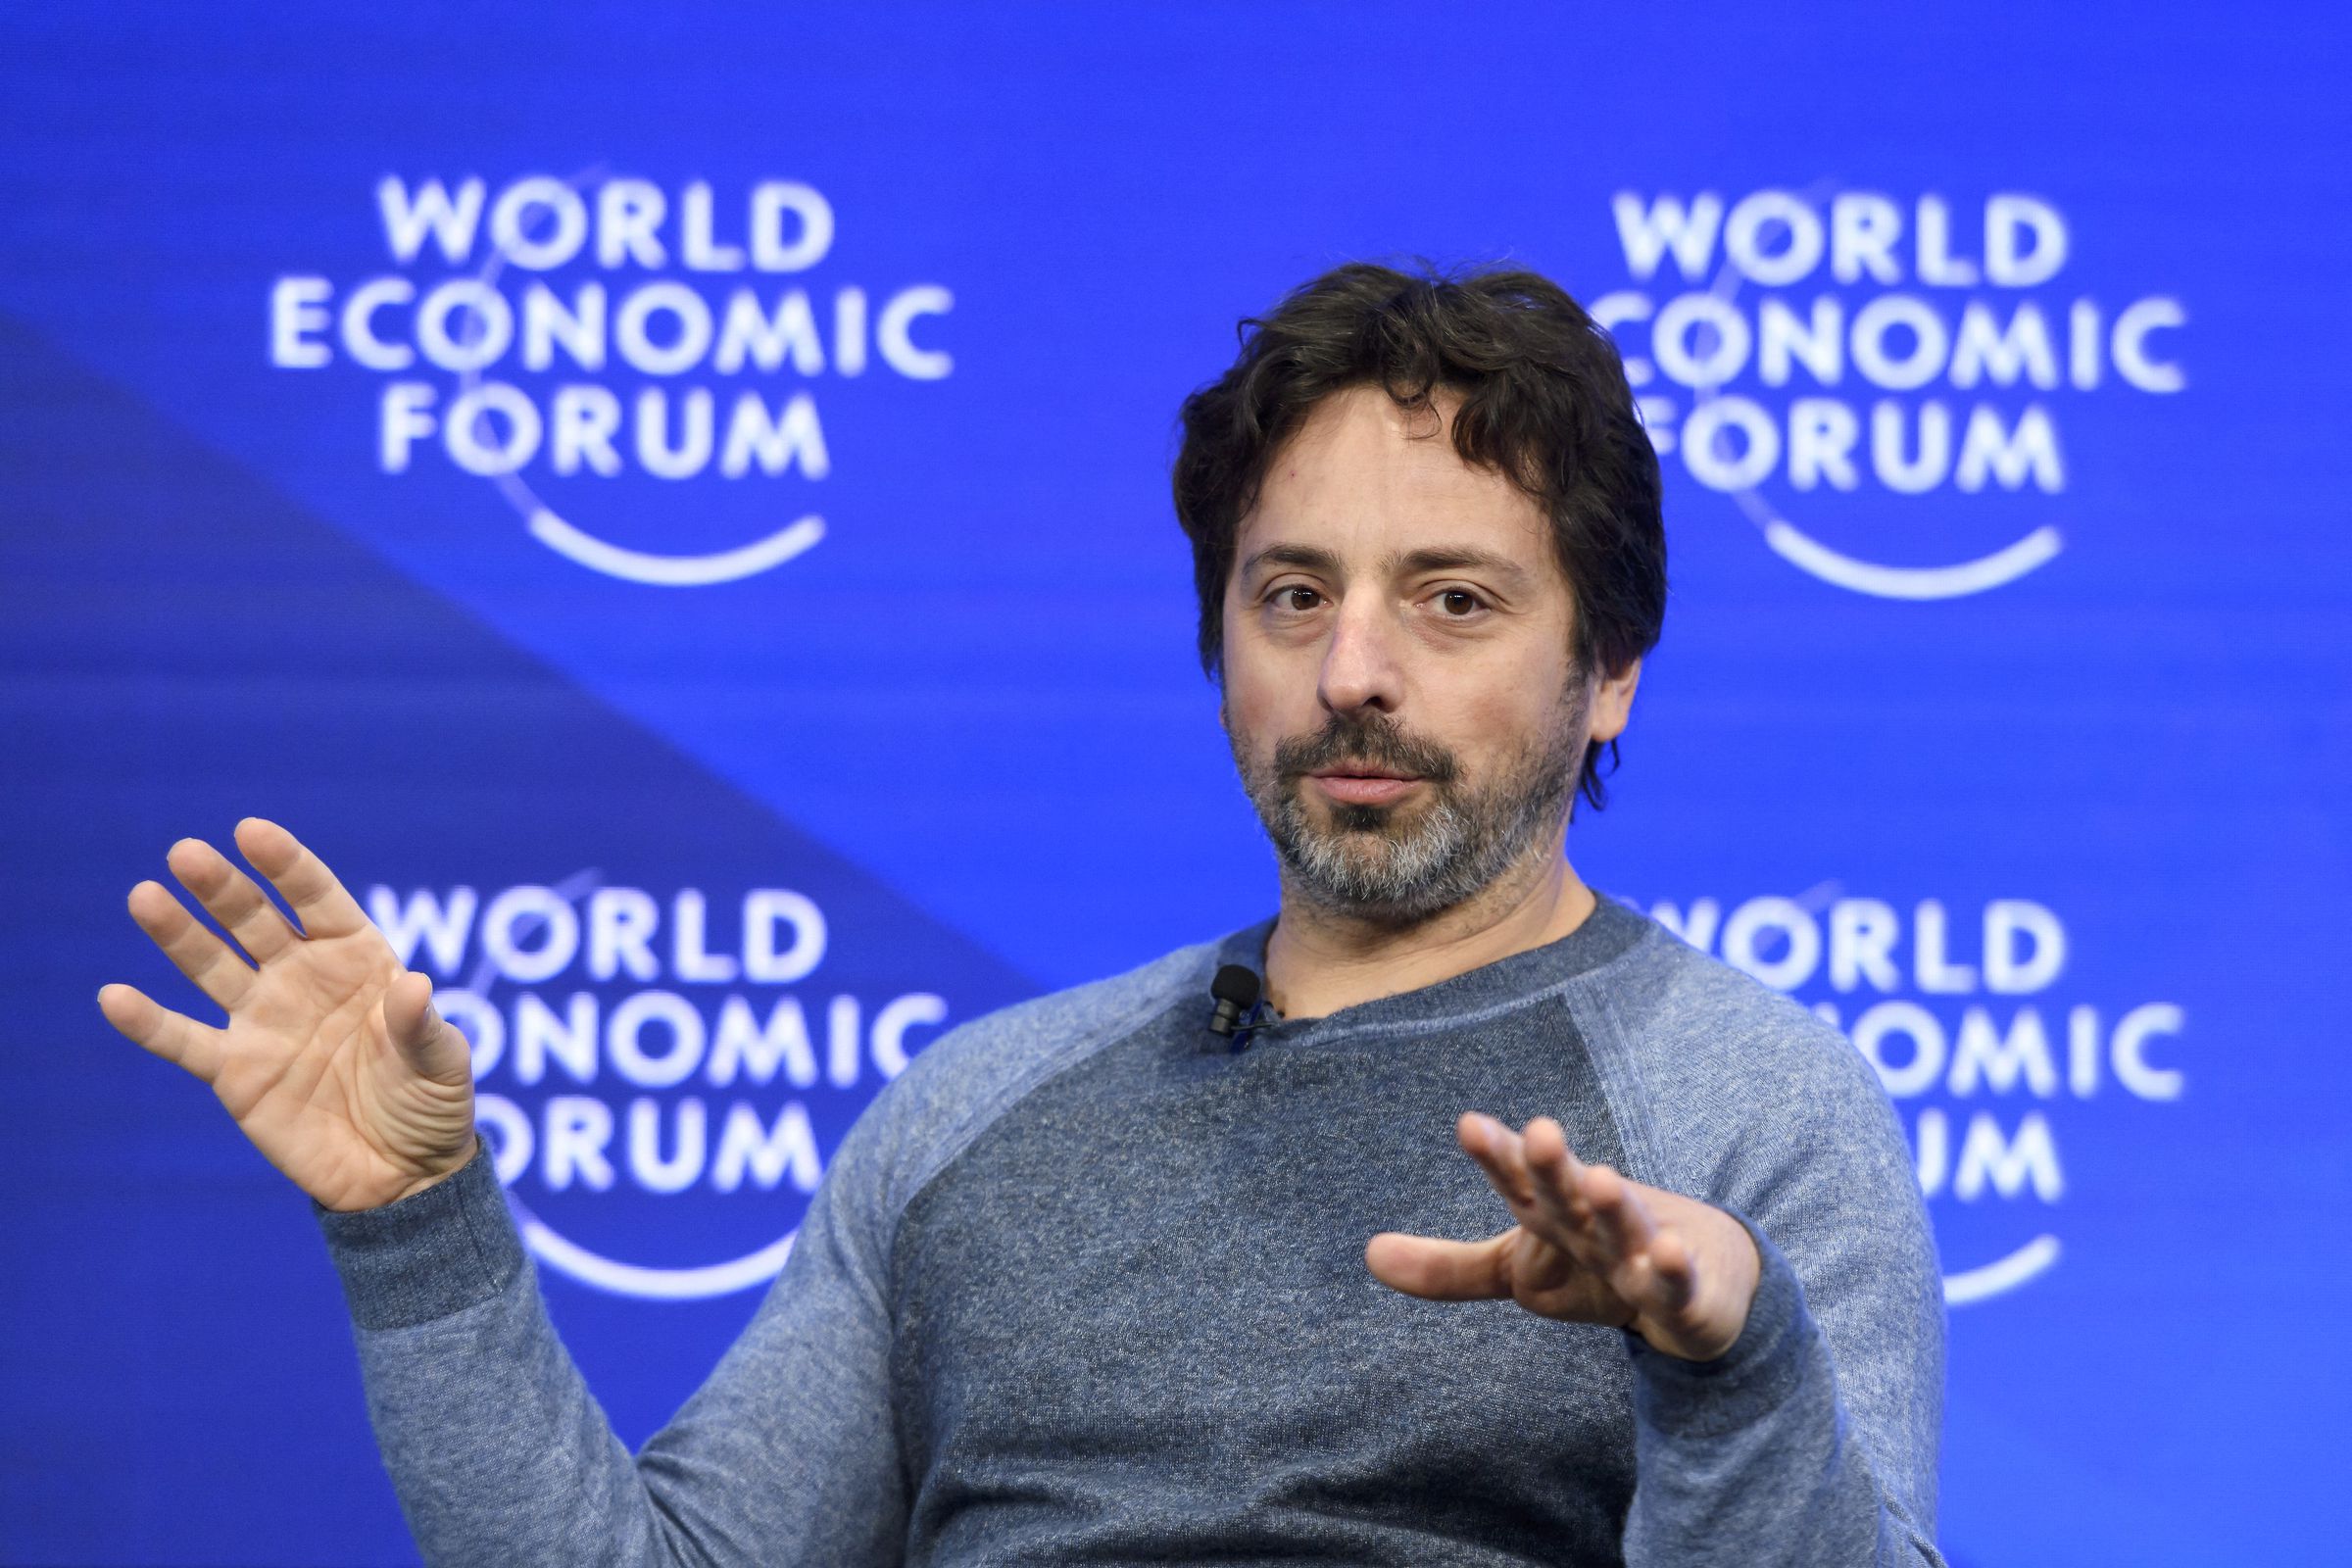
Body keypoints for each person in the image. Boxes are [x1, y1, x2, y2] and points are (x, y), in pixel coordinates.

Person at [98, 262, 1944, 1566]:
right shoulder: (971, 1113)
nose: (1352, 671)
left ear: (1610, 668)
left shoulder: (1746, 1108)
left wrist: (1726, 1365)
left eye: (1453, 603)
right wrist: (420, 1225)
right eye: (1291, 595)